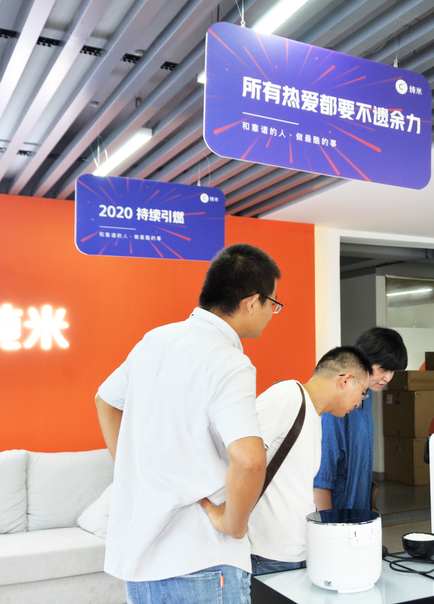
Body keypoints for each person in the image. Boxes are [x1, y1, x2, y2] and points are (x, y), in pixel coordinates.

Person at [94, 243, 281, 604]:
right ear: (251, 302)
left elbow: (105, 401)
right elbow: (249, 459)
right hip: (200, 558)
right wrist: (233, 524)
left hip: (141, 558)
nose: (273, 313)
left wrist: (133, 469)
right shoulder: (229, 362)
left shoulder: (155, 340)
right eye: (273, 303)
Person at [242, 346, 375, 576]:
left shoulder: (314, 417)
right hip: (267, 554)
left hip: (297, 551)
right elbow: (240, 457)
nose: (359, 403)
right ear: (345, 380)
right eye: (362, 393)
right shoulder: (288, 395)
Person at [314, 327, 407, 512]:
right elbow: (322, 479)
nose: (388, 378)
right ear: (362, 360)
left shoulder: (367, 395)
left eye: (393, 371)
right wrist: (328, 524)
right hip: (339, 513)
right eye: (383, 369)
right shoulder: (337, 404)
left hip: (359, 510)